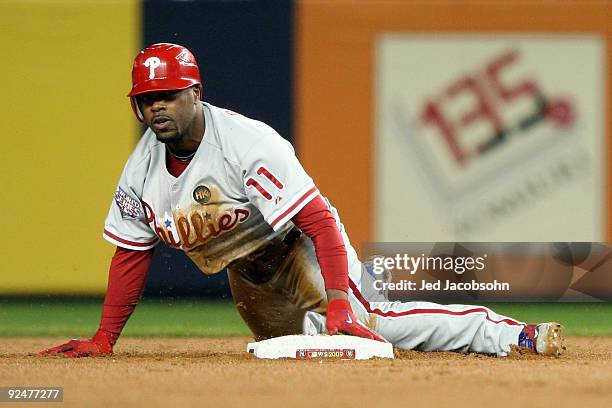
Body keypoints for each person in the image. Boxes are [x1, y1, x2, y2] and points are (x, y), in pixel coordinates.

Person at [40, 43, 563, 358]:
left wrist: (338, 298)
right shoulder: (140, 174)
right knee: (297, 356)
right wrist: (104, 338)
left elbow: (318, 220)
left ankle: (511, 335)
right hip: (246, 275)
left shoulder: (248, 143)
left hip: (301, 247)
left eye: (169, 95)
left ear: (196, 94)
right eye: (147, 99)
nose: (158, 107)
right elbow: (131, 255)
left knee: (373, 322)